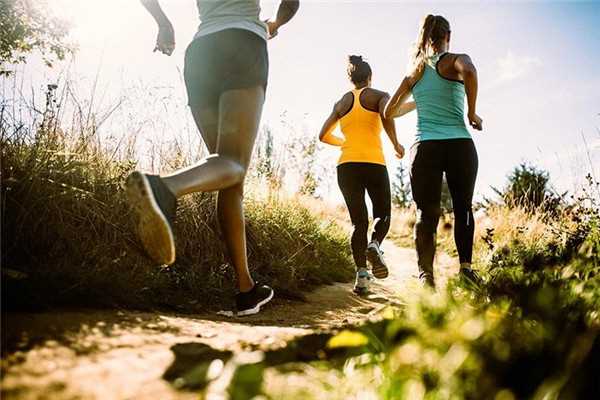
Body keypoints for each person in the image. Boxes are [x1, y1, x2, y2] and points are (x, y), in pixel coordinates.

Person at [126, 0, 299, 316]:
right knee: (233, 163)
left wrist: (163, 24)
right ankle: (163, 188)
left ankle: (245, 289)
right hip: (243, 44)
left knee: (227, 173)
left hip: (201, 52)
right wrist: (275, 24)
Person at [385, 14, 483, 288]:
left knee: (425, 213)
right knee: (463, 207)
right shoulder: (455, 60)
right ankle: (465, 271)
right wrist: (472, 113)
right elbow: (471, 72)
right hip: (459, 145)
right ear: (447, 36)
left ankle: (426, 276)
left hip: (424, 146)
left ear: (425, 38)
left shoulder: (414, 72)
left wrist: (418, 101)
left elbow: (388, 111)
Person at [319, 55, 414, 294]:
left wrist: (345, 143)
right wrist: (396, 145)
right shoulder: (378, 95)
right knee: (382, 213)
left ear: (351, 79)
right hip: (373, 162)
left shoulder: (341, 102)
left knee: (358, 222)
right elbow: (388, 115)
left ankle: (362, 276)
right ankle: (375, 245)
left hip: (346, 165)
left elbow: (323, 135)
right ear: (370, 77)